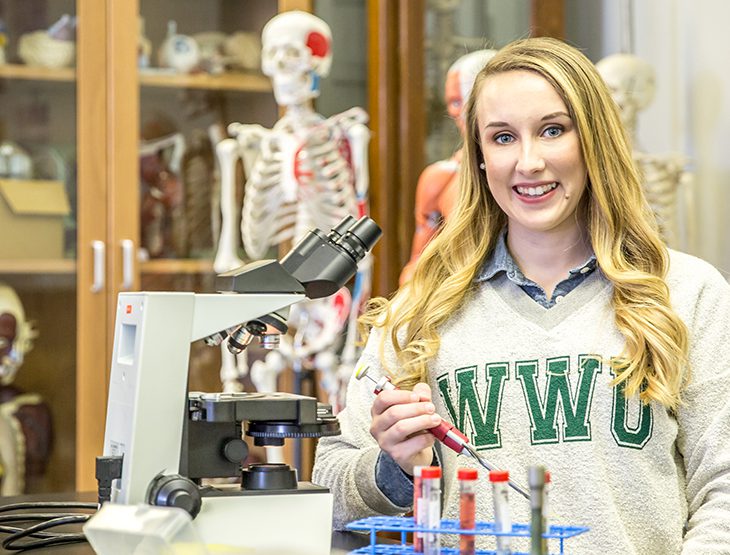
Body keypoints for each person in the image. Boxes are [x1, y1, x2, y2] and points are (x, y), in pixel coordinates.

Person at [313, 37, 730, 553]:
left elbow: (723, 488)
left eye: (553, 130)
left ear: (595, 141)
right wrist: (392, 467)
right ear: (480, 156)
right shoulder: (416, 311)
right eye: (503, 137)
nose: (528, 162)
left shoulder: (688, 294)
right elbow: (326, 488)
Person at [400, 49, 496, 285]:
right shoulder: (441, 178)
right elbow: (417, 267)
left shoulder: (526, 175)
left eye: (458, 101)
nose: (454, 111)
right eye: (452, 102)